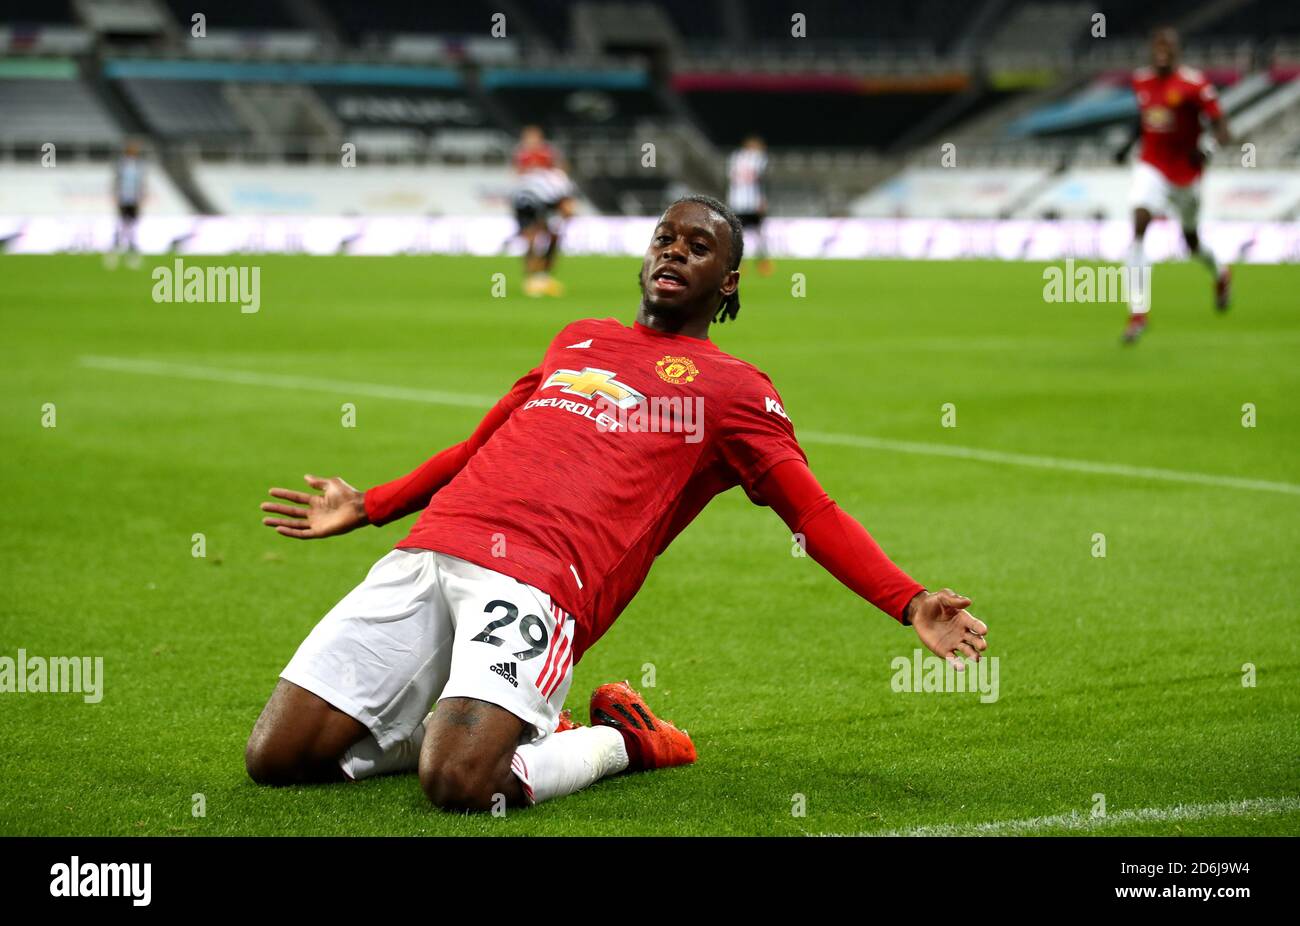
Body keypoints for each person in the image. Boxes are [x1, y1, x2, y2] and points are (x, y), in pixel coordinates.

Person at [246, 195, 988, 812]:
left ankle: (624, 739)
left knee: (461, 784)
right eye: (665, 239)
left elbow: (813, 513)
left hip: (540, 582)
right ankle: (486, 716)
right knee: (276, 758)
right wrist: (371, 505)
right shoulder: (579, 339)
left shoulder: (736, 393)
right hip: (432, 548)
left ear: (727, 282)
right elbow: (478, 447)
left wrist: (908, 599)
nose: (674, 252)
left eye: (698, 248)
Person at [1114, 27, 1232, 344]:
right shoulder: (1141, 81)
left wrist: (1207, 150)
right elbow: (1146, 119)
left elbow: (1222, 127)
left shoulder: (1194, 85)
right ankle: (1138, 313)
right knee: (1138, 224)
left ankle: (1220, 272)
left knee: (1191, 243)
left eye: (1169, 46)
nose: (1162, 50)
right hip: (1151, 165)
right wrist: (1127, 146)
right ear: (1152, 49)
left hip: (1186, 174)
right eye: (1158, 45)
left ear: (1177, 51)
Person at [727, 135, 772, 276]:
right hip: (753, 203)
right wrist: (762, 200)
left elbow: (730, 179)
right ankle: (763, 263)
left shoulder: (735, 157)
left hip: (736, 202)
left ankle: (740, 264)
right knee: (759, 233)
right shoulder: (758, 158)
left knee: (738, 234)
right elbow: (761, 180)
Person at [109, 139, 145, 269]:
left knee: (132, 226)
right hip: (123, 199)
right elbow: (116, 181)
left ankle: (131, 252)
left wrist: (141, 197)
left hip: (134, 200)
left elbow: (141, 183)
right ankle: (115, 251)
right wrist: (115, 195)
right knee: (121, 225)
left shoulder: (139, 165)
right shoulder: (121, 164)